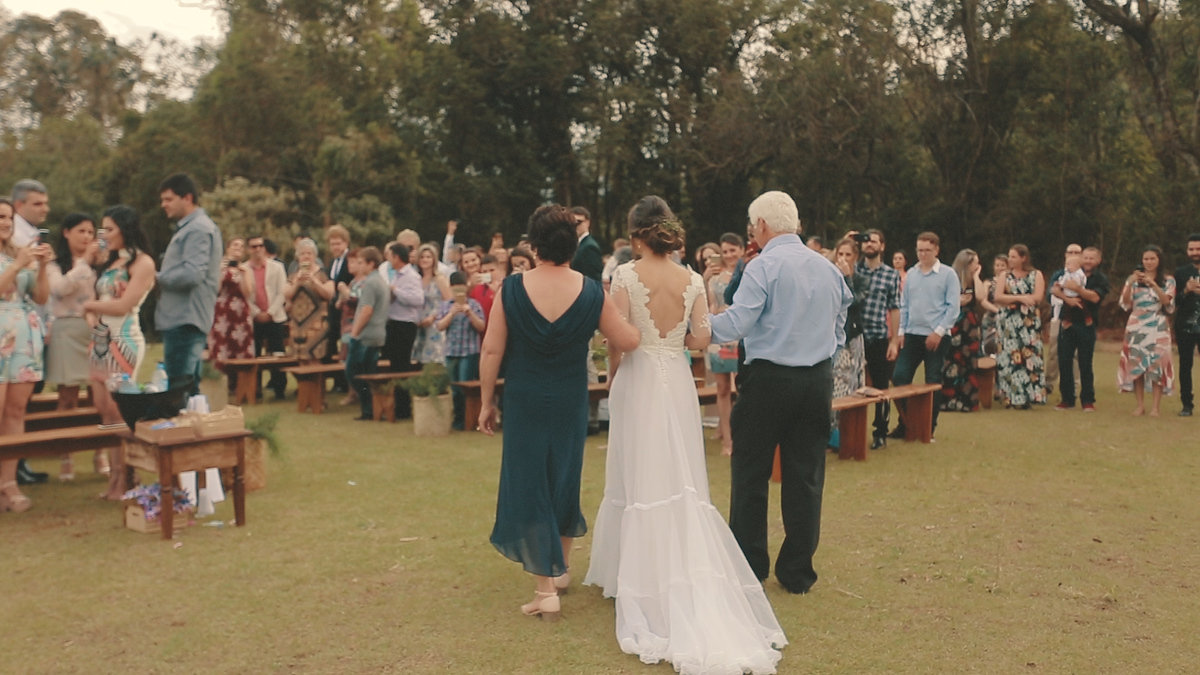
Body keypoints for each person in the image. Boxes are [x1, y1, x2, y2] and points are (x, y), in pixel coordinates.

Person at [584, 196, 786, 673]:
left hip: (637, 377)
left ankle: (631, 577)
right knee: (678, 476)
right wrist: (678, 339)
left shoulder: (626, 277)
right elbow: (701, 340)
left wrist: (613, 376)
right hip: (675, 381)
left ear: (636, 235)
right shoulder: (693, 279)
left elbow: (618, 338)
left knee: (636, 469)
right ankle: (662, 569)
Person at [478, 204, 640, 621]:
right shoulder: (591, 291)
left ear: (533, 246)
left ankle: (545, 588)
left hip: (526, 396)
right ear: (573, 244)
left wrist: (485, 401)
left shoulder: (511, 289)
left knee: (529, 479)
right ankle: (561, 567)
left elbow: (493, 348)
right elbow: (625, 338)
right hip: (570, 397)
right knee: (564, 473)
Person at [709, 191, 852, 595]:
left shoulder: (762, 266)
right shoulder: (827, 269)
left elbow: (737, 322)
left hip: (768, 380)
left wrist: (697, 323)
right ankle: (797, 571)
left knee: (751, 471)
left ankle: (750, 565)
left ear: (762, 226)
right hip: (815, 380)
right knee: (805, 475)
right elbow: (841, 318)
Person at [85, 206, 155, 501]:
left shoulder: (143, 262)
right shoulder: (110, 262)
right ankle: (115, 477)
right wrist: (91, 313)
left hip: (124, 339)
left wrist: (90, 307)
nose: (104, 236)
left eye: (109, 229)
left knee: (119, 412)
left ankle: (126, 476)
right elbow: (97, 295)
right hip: (99, 339)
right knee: (104, 411)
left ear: (125, 228)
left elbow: (123, 305)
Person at [0, 198, 51, 513]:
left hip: (23, 340)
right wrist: (19, 264)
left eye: (8, 217)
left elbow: (41, 296)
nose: (5, 222)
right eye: (0, 216)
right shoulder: (17, 258)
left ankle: (9, 484)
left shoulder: (17, 253)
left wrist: (42, 265)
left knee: (16, 413)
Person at [46, 213, 103, 481]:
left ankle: (100, 452)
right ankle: (66, 457)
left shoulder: (101, 263)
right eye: (81, 231)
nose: (87, 237)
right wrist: (83, 263)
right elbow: (59, 290)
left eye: (91, 232)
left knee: (99, 395)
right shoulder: (54, 264)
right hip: (66, 329)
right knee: (67, 396)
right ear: (67, 232)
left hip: (94, 329)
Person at [888, 232, 960, 439]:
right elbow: (905, 304)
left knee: (932, 381)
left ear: (936, 250)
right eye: (920, 250)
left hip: (936, 335)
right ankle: (906, 423)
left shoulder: (947, 275)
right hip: (912, 334)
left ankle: (928, 428)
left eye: (927, 250)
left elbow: (953, 308)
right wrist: (901, 331)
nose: (923, 254)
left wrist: (938, 332)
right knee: (900, 377)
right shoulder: (912, 274)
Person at [156, 173, 222, 396]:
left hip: (185, 319)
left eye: (168, 199)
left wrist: (156, 278)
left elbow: (193, 273)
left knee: (179, 389)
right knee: (188, 388)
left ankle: (183, 430)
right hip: (184, 318)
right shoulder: (191, 227)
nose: (163, 205)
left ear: (187, 198)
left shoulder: (198, 229)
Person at [11, 180, 51, 485]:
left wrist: (39, 267)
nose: (45, 209)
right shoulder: (17, 243)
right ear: (18, 206)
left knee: (20, 407)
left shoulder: (31, 242)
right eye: (37, 203)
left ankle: (15, 469)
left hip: (28, 335)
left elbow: (38, 295)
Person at [855, 229, 901, 449]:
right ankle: (849, 431)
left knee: (881, 387)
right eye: (866, 241)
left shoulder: (890, 275)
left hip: (878, 336)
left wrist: (893, 340)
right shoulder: (853, 269)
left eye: (874, 241)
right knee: (852, 385)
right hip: (854, 336)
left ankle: (880, 432)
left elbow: (894, 308)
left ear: (882, 246)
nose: (869, 244)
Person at [1118, 245, 1175, 417]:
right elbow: (1125, 303)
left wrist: (1153, 284)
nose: (1148, 262)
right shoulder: (1134, 280)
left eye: (1152, 259)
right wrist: (1130, 283)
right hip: (1136, 324)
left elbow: (1167, 302)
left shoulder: (1168, 280)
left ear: (1159, 261)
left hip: (1157, 324)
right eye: (1146, 259)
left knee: (1157, 365)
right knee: (1136, 364)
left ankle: (1156, 407)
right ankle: (1140, 405)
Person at [1051, 247, 1109, 412]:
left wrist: (1078, 290)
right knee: (1064, 361)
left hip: (1087, 325)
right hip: (1067, 323)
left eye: (1092, 258)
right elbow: (1054, 291)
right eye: (1086, 258)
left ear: (1098, 261)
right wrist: (1066, 298)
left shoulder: (1100, 279)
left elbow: (1095, 297)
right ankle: (1067, 399)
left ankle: (1088, 400)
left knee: (1085, 363)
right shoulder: (1069, 272)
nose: (1088, 261)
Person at [704, 233, 743, 456]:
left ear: (740, 250)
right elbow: (709, 305)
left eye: (732, 250)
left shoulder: (747, 274)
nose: (729, 255)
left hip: (739, 334)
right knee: (722, 388)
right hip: (719, 336)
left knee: (741, 386)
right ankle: (727, 440)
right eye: (725, 251)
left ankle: (742, 435)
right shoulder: (714, 278)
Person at [993, 244, 1046, 409]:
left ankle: (1029, 397)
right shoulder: (1005, 275)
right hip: (1008, 323)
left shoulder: (1036, 274)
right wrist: (1021, 298)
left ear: (1024, 258)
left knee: (1029, 357)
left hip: (1027, 323)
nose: (1010, 260)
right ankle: (1010, 397)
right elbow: (998, 296)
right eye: (1009, 256)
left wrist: (1016, 298)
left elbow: (1037, 296)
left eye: (1014, 256)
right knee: (1009, 359)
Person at [829, 236, 870, 442]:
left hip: (852, 337)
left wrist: (847, 278)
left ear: (855, 257)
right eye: (840, 254)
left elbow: (854, 302)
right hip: (831, 337)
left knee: (851, 384)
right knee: (835, 384)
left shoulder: (862, 279)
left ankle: (849, 435)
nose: (843, 258)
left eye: (848, 255)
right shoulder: (828, 276)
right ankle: (833, 434)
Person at [436, 272, 485, 430]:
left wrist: (469, 312)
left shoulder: (474, 305)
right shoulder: (446, 305)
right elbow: (439, 326)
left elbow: (481, 326)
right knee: (454, 388)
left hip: (469, 351)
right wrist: (452, 313)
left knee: (466, 387)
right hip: (451, 351)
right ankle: (458, 419)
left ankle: (468, 419)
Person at [346, 247, 389, 420]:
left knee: (354, 372)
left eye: (362, 262)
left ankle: (369, 407)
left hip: (366, 335)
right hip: (378, 333)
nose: (359, 265)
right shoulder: (381, 281)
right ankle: (370, 408)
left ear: (371, 263)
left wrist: (355, 332)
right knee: (369, 373)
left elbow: (367, 310)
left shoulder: (371, 282)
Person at [940, 249, 984, 412]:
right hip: (954, 324)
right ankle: (948, 400)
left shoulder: (974, 282)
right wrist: (956, 302)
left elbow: (981, 297)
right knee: (951, 361)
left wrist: (977, 276)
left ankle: (967, 401)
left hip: (970, 326)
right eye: (975, 263)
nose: (978, 265)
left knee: (969, 362)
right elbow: (940, 301)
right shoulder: (951, 279)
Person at [383, 242, 423, 418]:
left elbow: (417, 299)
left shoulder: (411, 275)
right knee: (395, 365)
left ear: (397, 257)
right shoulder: (396, 275)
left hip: (405, 324)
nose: (389, 260)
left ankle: (404, 408)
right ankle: (398, 405)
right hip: (394, 322)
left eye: (391, 256)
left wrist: (396, 291)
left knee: (402, 365)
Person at [246, 236, 289, 399]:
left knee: (277, 354)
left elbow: (282, 291)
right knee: (254, 354)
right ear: (248, 249)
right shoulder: (244, 269)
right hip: (254, 318)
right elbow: (245, 296)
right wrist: (256, 313)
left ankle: (279, 389)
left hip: (275, 316)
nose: (257, 249)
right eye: (253, 246)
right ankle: (255, 389)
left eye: (260, 246)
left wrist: (270, 312)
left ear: (265, 248)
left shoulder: (277, 267)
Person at [283, 238, 335, 363]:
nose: (306, 256)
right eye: (302, 253)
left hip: (317, 325)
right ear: (298, 257)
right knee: (299, 360)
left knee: (316, 358)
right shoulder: (293, 275)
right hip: (298, 325)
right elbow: (286, 294)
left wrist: (314, 281)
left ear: (315, 256)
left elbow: (329, 294)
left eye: (309, 253)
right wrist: (297, 282)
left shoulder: (323, 273)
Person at [207, 237, 255, 372]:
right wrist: (220, 272)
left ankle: (241, 382)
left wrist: (244, 274)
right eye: (235, 245)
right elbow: (216, 290)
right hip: (222, 311)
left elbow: (248, 293)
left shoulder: (246, 269)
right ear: (227, 248)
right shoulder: (218, 266)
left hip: (241, 312)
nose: (238, 248)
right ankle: (221, 379)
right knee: (221, 344)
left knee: (240, 346)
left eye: (241, 246)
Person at [1045, 244, 1084, 395]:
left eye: (1076, 252)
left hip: (1077, 319)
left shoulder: (1082, 275)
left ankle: (1074, 384)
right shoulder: (1058, 275)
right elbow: (1050, 295)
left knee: (1074, 354)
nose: (1073, 254)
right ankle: (1048, 383)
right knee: (1054, 352)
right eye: (1070, 252)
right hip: (1058, 318)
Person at [324, 225, 354, 392]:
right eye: (332, 244)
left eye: (338, 243)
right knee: (330, 344)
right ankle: (337, 381)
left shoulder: (350, 259)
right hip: (333, 310)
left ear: (345, 243)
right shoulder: (333, 262)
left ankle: (345, 383)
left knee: (345, 347)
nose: (335, 247)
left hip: (347, 310)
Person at [412, 243, 451, 366]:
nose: (425, 260)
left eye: (428, 257)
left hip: (435, 323)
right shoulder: (416, 279)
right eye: (422, 257)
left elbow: (449, 301)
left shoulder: (440, 279)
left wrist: (434, 317)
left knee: (434, 361)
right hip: (419, 324)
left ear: (434, 259)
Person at [1175, 234, 1200, 416]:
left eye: (1198, 249)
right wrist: (1186, 290)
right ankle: (1186, 405)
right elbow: (1174, 301)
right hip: (1185, 325)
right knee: (1185, 365)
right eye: (1191, 249)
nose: (1194, 253)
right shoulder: (1181, 273)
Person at [980, 255, 1007, 358]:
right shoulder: (988, 283)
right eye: (997, 265)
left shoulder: (1011, 282)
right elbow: (983, 301)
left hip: (1007, 317)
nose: (999, 268)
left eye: (1002, 265)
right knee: (989, 348)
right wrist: (996, 310)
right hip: (991, 319)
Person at [570, 206, 603, 282]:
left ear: (587, 223)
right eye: (572, 223)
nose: (575, 226)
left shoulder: (590, 247)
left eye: (578, 222)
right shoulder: (577, 244)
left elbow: (594, 279)